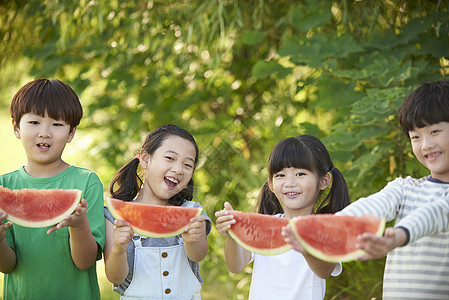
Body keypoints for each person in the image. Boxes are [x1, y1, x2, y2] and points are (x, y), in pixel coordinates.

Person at [283, 79, 449, 299]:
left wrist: (397, 237)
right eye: (415, 137)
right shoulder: (405, 188)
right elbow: (373, 205)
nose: (425, 144)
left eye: (435, 131)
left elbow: (435, 214)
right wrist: (328, 225)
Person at [0, 78, 105, 299]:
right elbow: (7, 266)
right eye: (34, 122)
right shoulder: (4, 187)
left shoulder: (87, 182)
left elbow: (85, 262)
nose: (45, 132)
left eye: (57, 124)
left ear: (71, 133)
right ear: (16, 127)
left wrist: (78, 226)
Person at [215, 134, 351, 300]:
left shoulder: (327, 229)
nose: (289, 182)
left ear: (323, 181)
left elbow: (324, 271)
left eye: (300, 174)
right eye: (280, 175)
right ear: (271, 184)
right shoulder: (263, 226)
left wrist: (304, 240)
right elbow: (235, 266)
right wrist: (233, 237)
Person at [103, 124, 211, 299]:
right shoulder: (115, 217)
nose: (178, 169)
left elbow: (198, 255)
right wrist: (118, 249)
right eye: (170, 158)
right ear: (145, 158)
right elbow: (115, 277)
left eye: (188, 165)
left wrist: (194, 239)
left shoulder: (193, 211)